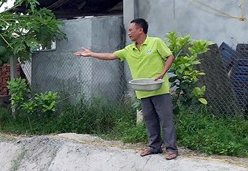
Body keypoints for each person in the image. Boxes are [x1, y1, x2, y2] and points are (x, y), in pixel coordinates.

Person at [75, 18, 178, 160]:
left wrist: (162, 73)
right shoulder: (129, 50)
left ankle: (171, 149)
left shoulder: (156, 42)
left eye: (131, 30)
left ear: (140, 30)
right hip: (142, 91)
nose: (128, 33)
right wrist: (91, 54)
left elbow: (170, 56)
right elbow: (111, 56)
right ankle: (154, 147)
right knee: (149, 120)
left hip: (159, 89)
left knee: (165, 120)